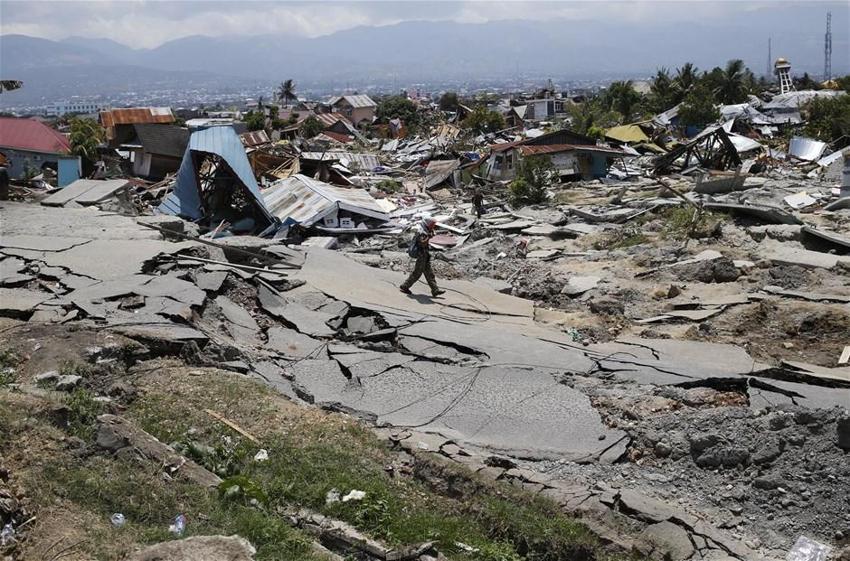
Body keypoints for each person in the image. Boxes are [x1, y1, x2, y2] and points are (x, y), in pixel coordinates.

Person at [400, 216, 445, 297]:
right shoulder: (422, 232)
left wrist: (430, 234)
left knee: (429, 273)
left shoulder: (426, 230)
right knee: (417, 273)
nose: (432, 226)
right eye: (431, 225)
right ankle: (405, 286)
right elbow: (422, 243)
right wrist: (429, 237)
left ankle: (435, 290)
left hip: (425, 255)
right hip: (421, 255)